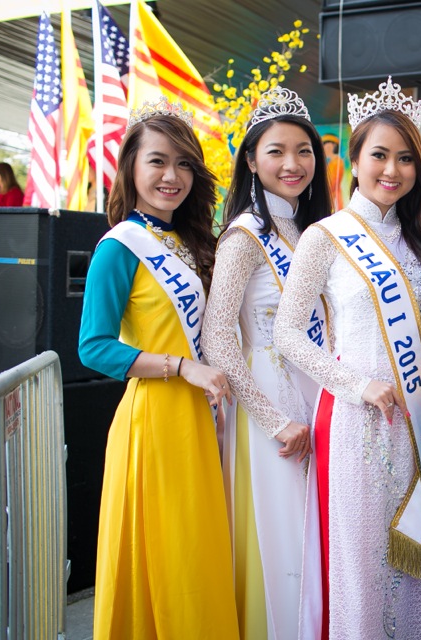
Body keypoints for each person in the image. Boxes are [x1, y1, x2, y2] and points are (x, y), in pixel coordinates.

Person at [273, 77, 421, 639]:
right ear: (354, 157)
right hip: (356, 423)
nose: (391, 170)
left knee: (415, 559)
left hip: (418, 423)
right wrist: (356, 385)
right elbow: (289, 334)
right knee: (362, 565)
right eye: (379, 155)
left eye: (405, 159)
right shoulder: (326, 236)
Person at [78, 98, 238, 637]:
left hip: (203, 417)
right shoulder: (119, 247)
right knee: (168, 554)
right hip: (155, 423)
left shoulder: (193, 242)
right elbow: (93, 347)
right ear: (131, 167)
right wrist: (181, 367)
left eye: (184, 164)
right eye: (157, 161)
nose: (172, 176)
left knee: (200, 549)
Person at [201, 87, 331, 639]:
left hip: (315, 397)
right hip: (270, 412)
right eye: (276, 151)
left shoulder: (310, 232)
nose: (292, 164)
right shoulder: (243, 236)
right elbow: (219, 338)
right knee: (280, 543)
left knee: (314, 537)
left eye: (303, 151)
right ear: (251, 159)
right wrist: (274, 419)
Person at [321, 133, 346, 210]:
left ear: (334, 146)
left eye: (327, 146)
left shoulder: (337, 162)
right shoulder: (330, 162)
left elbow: (332, 183)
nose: (325, 149)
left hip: (334, 198)